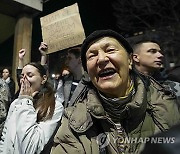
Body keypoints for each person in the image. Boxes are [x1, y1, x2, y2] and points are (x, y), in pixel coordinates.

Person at [50, 29, 180, 154]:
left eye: (110, 50)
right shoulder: (73, 119)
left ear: (130, 60)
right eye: (92, 55)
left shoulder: (171, 99)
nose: (101, 59)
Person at [0, 62, 64, 154]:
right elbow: (5, 137)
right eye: (22, 76)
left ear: (43, 79)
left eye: (30, 75)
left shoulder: (55, 106)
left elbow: (30, 148)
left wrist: (26, 100)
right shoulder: (15, 103)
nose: (24, 80)